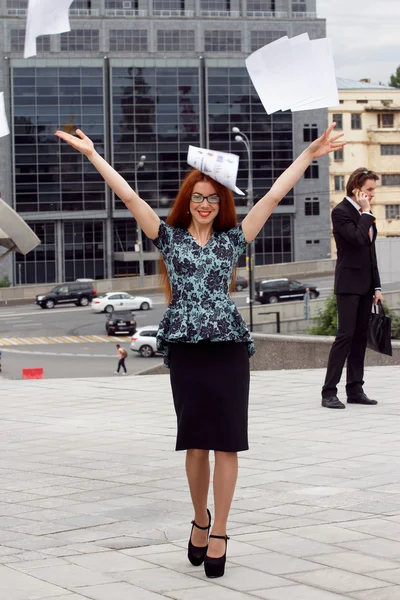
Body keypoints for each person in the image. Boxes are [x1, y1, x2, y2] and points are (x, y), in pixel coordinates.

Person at [55, 123, 345, 578]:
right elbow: (130, 199)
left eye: (213, 197)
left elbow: (270, 197)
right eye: (198, 197)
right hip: (187, 349)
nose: (205, 204)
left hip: (228, 347)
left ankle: (222, 530)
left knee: (227, 442)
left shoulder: (233, 239)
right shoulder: (168, 237)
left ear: (221, 202)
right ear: (187, 202)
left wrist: (309, 154)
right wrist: (93, 155)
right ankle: (200, 518)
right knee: (195, 442)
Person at [321, 168, 384, 409]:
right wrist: (366, 213)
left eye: (373, 190)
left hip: (366, 286)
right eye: (369, 190)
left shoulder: (365, 213)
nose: (372, 195)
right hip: (348, 285)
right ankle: (328, 392)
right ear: (356, 190)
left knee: (359, 338)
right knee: (345, 337)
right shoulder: (341, 212)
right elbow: (357, 238)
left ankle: (355, 389)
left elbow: (370, 251)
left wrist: (377, 286)